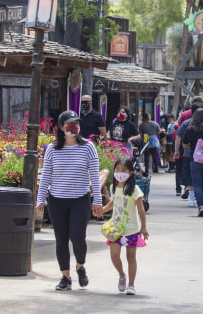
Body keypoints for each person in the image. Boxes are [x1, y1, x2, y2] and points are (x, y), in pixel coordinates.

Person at [35, 110, 103, 291]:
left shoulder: (88, 147)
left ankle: (81, 266)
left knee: (77, 237)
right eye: (70, 124)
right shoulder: (52, 148)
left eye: (77, 123)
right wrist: (40, 200)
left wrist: (98, 200)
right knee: (61, 239)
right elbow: (46, 176)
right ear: (61, 128)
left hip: (80, 199)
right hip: (58, 199)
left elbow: (95, 177)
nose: (74, 127)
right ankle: (65, 277)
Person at [102, 157, 148, 295]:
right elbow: (113, 202)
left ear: (131, 173)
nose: (120, 173)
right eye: (117, 170)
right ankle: (121, 274)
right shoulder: (113, 187)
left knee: (131, 257)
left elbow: (141, 209)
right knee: (114, 255)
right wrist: (102, 210)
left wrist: (143, 227)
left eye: (123, 170)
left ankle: (131, 284)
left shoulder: (134, 189)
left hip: (131, 229)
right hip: (115, 229)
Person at [183, 108, 203, 217]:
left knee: (196, 184)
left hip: (195, 160)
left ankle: (200, 205)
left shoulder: (190, 130)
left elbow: (185, 144)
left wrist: (194, 148)